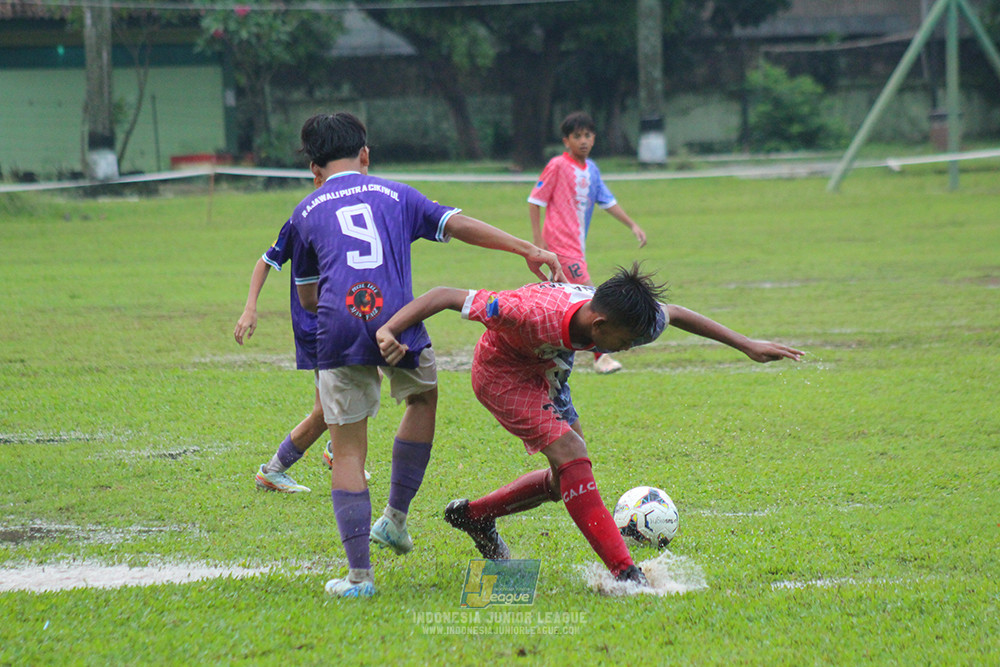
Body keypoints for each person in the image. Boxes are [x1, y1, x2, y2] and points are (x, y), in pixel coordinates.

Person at [375, 263, 803, 586]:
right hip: (501, 374)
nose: (630, 347)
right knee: (573, 454)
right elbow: (445, 295)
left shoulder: (626, 319)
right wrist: (389, 330)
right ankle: (627, 575)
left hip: (548, 371)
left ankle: (474, 516)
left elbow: (674, 313)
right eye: (625, 342)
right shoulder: (526, 312)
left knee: (566, 479)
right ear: (599, 325)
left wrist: (747, 345)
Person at [287, 112, 564, 598]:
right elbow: (458, 224)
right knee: (422, 398)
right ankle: (395, 518)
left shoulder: (305, 211)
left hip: (339, 327)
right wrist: (526, 247)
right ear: (365, 155)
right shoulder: (397, 194)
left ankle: (359, 578)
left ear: (314, 169)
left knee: (347, 449)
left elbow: (309, 298)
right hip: (399, 320)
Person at [234, 217, 369, 494]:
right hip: (317, 326)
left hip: (342, 320)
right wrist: (250, 308)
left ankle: (337, 452)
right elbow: (265, 261)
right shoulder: (302, 219)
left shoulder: (346, 212)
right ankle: (273, 471)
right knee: (326, 410)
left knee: (359, 386)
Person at [528, 111, 648, 375]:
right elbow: (535, 200)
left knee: (560, 300)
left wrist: (632, 225)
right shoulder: (557, 165)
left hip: (576, 248)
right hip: (560, 247)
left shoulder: (592, 170)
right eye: (577, 136)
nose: (583, 140)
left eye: (587, 135)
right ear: (566, 141)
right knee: (592, 297)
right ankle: (601, 357)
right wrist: (538, 243)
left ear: (594, 138)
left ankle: (540, 351)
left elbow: (608, 201)